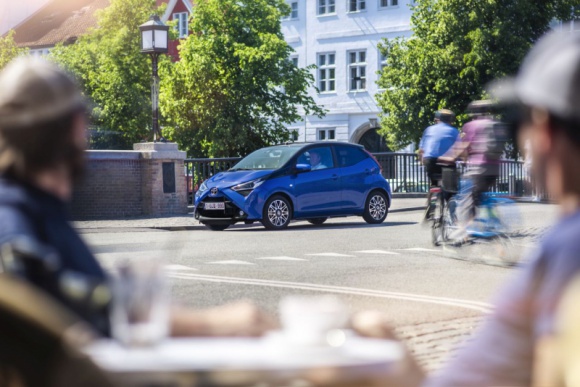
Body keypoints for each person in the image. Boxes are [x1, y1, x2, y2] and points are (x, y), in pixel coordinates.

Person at [352, 28, 580, 386]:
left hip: (461, 169)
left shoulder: (567, 249)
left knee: (464, 199)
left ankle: (464, 225)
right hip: (491, 171)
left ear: (544, 131)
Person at [0, 57, 274, 338]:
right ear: (75, 126)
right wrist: (209, 324)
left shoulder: (35, 207)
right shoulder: (15, 216)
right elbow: (50, 296)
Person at [418, 109, 459, 187]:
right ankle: (449, 196)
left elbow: (421, 150)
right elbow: (460, 149)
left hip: (430, 161)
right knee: (450, 188)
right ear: (451, 121)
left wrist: (422, 161)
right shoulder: (454, 131)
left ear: (436, 120)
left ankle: (432, 195)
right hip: (447, 161)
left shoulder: (428, 129)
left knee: (434, 183)